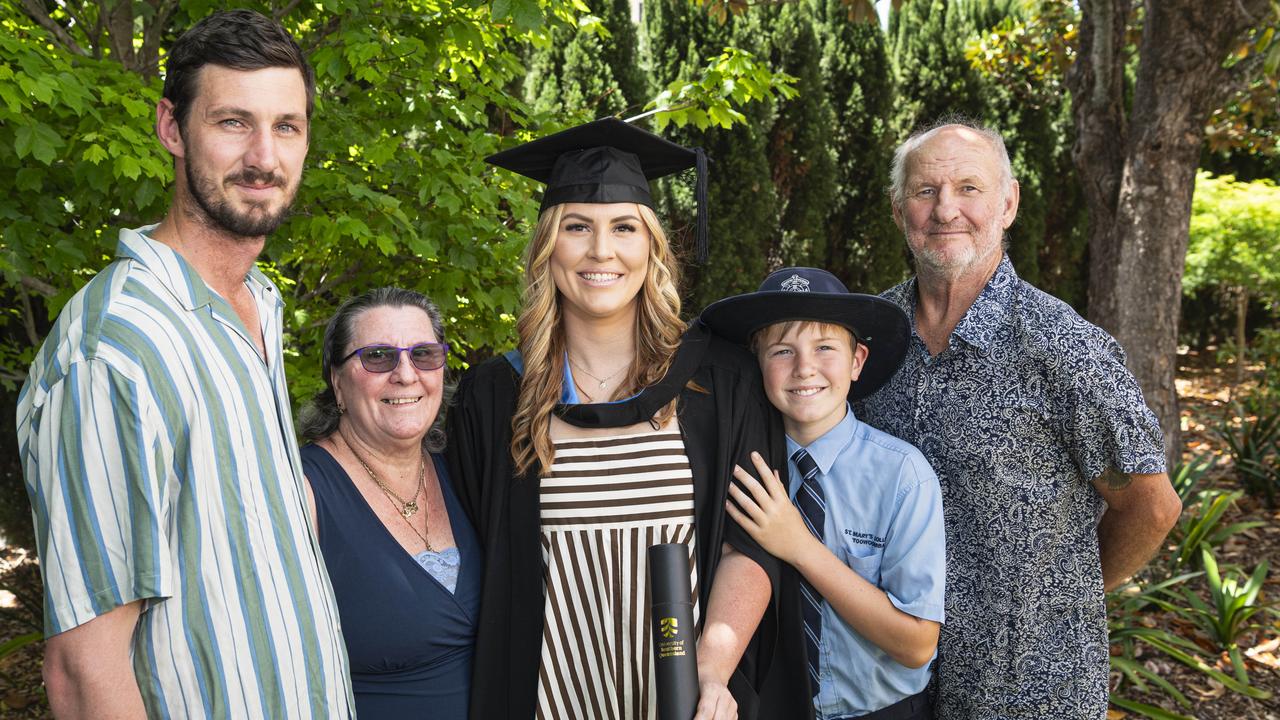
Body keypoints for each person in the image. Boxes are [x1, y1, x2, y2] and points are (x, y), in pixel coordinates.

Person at [15, 10, 354, 718]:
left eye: (286, 126)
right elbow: (83, 669)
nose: (264, 156)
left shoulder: (255, 306)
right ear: (172, 128)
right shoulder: (116, 348)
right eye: (234, 122)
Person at [446, 118, 810, 720]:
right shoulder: (494, 396)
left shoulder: (719, 380)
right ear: (547, 247)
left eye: (624, 228)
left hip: (686, 705)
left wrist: (713, 673)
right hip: (545, 703)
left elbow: (749, 544)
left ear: (651, 247)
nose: (601, 251)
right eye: (577, 227)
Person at [856, 119, 1183, 719]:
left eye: (969, 189)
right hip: (885, 678)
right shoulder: (868, 338)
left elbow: (1152, 506)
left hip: (1025, 687)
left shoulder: (1063, 350)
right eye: (926, 191)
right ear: (899, 210)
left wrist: (1062, 596)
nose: (945, 209)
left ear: (1008, 203)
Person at [703, 267, 945, 720]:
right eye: (782, 350)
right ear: (755, 362)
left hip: (882, 712)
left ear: (857, 362)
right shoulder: (737, 471)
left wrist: (798, 547)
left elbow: (916, 645)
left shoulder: (902, 476)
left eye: (825, 348)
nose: (804, 368)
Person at [297, 287, 481, 718]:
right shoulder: (301, 492)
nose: (405, 374)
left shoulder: (462, 471)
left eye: (424, 355)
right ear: (337, 381)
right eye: (378, 356)